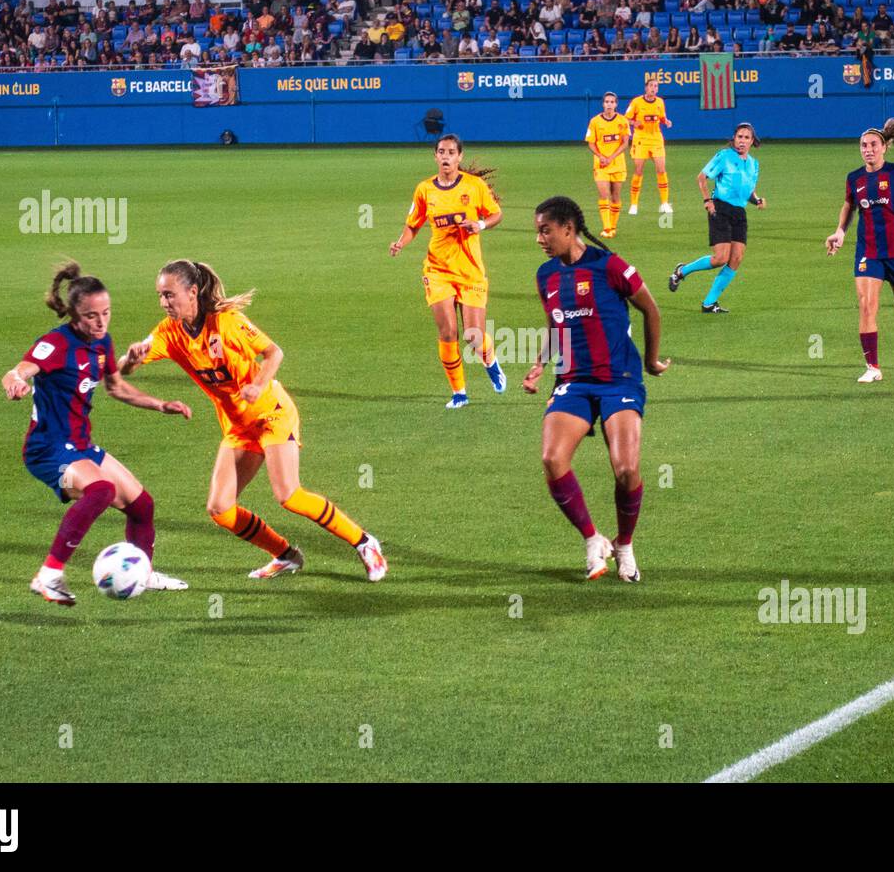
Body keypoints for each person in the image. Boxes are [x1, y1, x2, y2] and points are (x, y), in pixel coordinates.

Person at [119, 261, 387, 582]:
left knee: (288, 494)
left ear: (192, 292)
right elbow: (124, 367)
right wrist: (130, 360)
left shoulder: (228, 322)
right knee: (221, 509)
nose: (163, 303)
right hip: (238, 427)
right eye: (160, 296)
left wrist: (258, 385)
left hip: (271, 413)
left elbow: (274, 353)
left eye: (169, 295)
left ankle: (364, 542)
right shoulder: (169, 332)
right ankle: (286, 555)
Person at [3, 262, 192, 606]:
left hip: (80, 446)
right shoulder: (55, 343)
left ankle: (143, 572)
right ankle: (48, 575)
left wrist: (160, 404)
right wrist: (16, 381)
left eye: (106, 312)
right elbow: (19, 370)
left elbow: (116, 387)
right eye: (92, 316)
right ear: (74, 315)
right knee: (101, 490)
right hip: (47, 449)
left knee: (142, 506)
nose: (101, 321)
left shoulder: (101, 342)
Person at [522, 196, 670, 581]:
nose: (539, 238)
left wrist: (651, 361)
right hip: (573, 380)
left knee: (625, 469)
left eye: (545, 230)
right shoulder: (545, 276)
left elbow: (651, 309)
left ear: (568, 229)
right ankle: (592, 539)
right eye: (538, 231)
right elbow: (556, 325)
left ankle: (624, 545)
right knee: (553, 460)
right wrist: (540, 363)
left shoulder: (610, 266)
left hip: (618, 380)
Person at [391, 134, 506, 408]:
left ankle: (490, 361)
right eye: (441, 151)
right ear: (435, 156)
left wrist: (479, 225)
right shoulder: (424, 190)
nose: (446, 157)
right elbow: (413, 224)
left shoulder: (474, 186)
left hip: (470, 271)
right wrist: (400, 243)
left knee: (472, 336)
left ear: (459, 157)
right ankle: (459, 393)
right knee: (447, 333)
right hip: (438, 269)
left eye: (451, 152)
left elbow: (496, 214)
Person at [825, 119, 894, 384]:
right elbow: (849, 206)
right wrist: (840, 232)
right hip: (868, 252)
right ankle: (873, 367)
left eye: (873, 144)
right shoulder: (855, 178)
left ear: (884, 146)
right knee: (866, 306)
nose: (868, 149)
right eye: (863, 145)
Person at [669, 123, 767, 313]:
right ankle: (682, 271)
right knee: (720, 258)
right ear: (734, 138)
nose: (742, 141)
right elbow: (701, 177)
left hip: (739, 213)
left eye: (747, 138)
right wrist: (707, 200)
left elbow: (747, 191)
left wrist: (757, 200)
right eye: (739, 137)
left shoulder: (754, 164)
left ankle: (709, 303)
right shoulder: (724, 156)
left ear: (752, 141)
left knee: (736, 258)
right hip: (720, 210)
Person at [584, 91, 630, 238]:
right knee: (604, 194)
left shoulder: (622, 121)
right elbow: (591, 143)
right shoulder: (595, 122)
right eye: (607, 102)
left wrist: (611, 157)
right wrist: (601, 156)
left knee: (615, 196)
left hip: (617, 164)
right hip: (601, 164)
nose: (609, 104)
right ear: (603, 104)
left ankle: (613, 226)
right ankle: (607, 227)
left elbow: (625, 143)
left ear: (616, 104)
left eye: (612, 102)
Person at [625, 78, 673, 215]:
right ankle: (634, 204)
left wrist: (666, 121)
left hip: (656, 139)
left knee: (661, 169)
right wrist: (634, 123)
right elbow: (625, 119)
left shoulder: (660, 102)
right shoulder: (636, 102)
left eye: (656, 86)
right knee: (638, 170)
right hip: (640, 139)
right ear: (646, 88)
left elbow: (662, 118)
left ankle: (664, 203)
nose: (653, 88)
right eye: (651, 86)